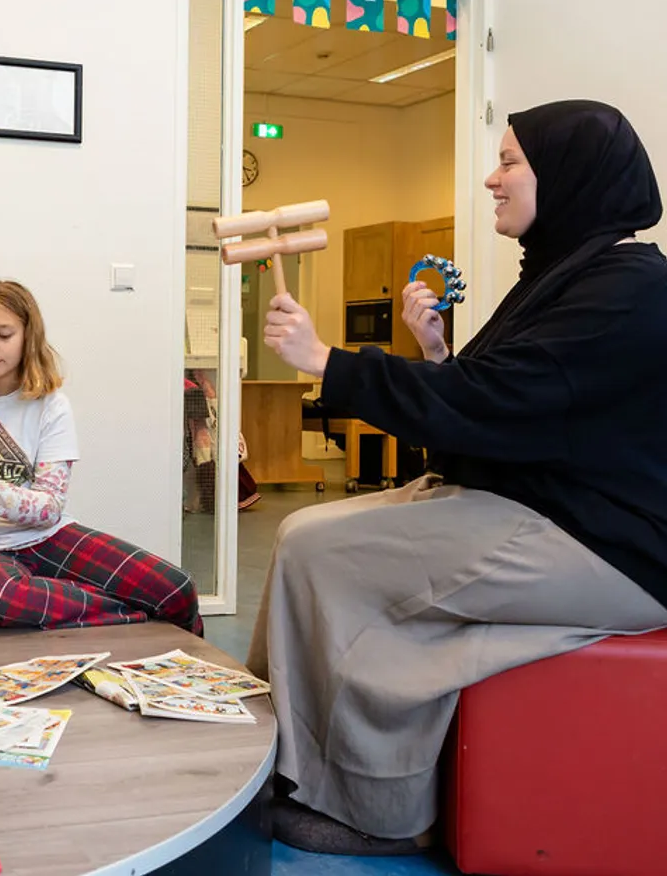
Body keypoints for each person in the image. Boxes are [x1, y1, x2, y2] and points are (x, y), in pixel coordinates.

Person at [245, 100, 667, 855]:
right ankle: (281, 762)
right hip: (543, 507)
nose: (490, 179)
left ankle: (374, 813)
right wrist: (437, 354)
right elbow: (508, 409)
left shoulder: (631, 289)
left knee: (321, 552)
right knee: (303, 530)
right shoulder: (570, 275)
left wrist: (329, 363)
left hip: (606, 544)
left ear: (567, 176)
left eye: (509, 161)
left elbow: (500, 404)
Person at [0, 279, 202, 634]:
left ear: (27, 336)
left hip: (48, 536)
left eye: (4, 335)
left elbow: (49, 507)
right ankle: (140, 614)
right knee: (4, 600)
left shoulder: (52, 405)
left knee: (177, 589)